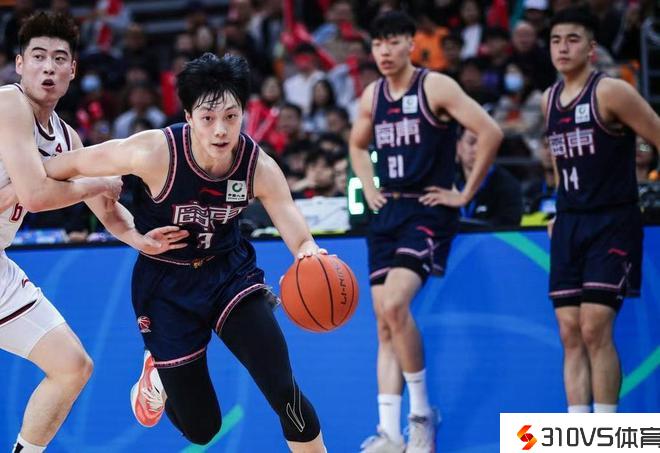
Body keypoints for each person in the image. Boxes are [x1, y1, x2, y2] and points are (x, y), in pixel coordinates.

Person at [43, 52, 327, 452]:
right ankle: (157, 373)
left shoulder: (257, 166)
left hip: (228, 274)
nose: (220, 129)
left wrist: (309, 251)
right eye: (208, 118)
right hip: (166, 285)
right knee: (202, 429)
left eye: (231, 116)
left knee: (284, 391)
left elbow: (293, 225)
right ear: (189, 116)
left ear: (244, 114)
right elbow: (64, 166)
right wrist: (124, 228)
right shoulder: (154, 152)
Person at [0, 12, 179, 453]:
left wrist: (142, 239)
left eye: (59, 58)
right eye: (38, 56)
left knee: (72, 366)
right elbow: (36, 195)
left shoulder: (67, 139)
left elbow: (109, 212)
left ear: (73, 70)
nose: (48, 67)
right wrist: (95, 182)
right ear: (19, 64)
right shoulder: (9, 103)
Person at [349, 11, 502, 453]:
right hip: (388, 212)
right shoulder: (372, 95)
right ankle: (390, 434)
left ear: (411, 44)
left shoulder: (435, 86)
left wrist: (465, 192)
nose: (384, 51)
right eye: (378, 43)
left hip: (427, 209)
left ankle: (421, 416)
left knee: (395, 304)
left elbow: (490, 131)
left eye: (393, 41)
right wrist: (367, 185)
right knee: (384, 324)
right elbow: (357, 145)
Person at [543, 7, 660, 414]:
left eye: (572, 39)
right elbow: (560, 160)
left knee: (594, 326)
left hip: (612, 220)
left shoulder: (610, 91)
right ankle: (580, 430)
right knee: (569, 331)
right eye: (556, 40)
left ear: (591, 48)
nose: (563, 48)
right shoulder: (549, 99)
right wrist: (559, 209)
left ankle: (605, 430)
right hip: (570, 222)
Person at [454, 128, 523, 228]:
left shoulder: (509, 186)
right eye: (471, 142)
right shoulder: (448, 182)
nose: (477, 149)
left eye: (483, 143)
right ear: (458, 147)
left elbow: (508, 228)